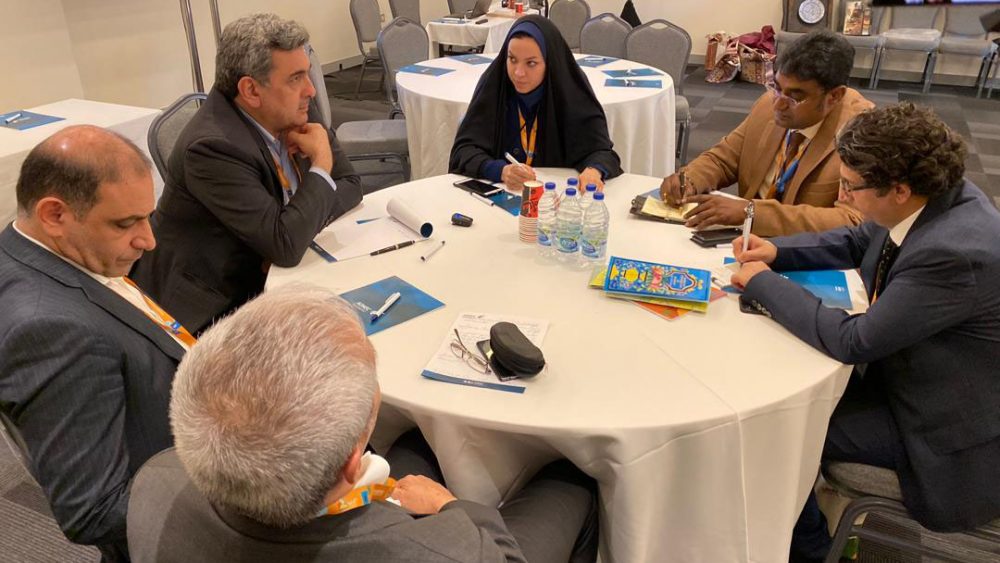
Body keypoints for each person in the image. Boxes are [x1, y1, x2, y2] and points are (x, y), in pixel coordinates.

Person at [127, 285, 599, 562]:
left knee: (415, 442)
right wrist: (452, 507)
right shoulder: (449, 552)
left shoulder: (154, 483)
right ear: (354, 462)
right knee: (575, 478)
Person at [730, 103, 1000, 561]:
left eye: (850, 186)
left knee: (777, 429)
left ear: (899, 189)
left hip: (941, 429)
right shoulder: (937, 195)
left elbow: (854, 340)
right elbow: (861, 240)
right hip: (913, 380)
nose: (843, 196)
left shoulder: (953, 254)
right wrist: (776, 252)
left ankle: (811, 549)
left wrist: (763, 283)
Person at [0, 126, 189, 561]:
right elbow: (94, 510)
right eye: (125, 223)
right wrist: (243, 477)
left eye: (147, 216)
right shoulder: (50, 331)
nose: (148, 240)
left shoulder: (32, 249)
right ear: (54, 215)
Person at [130, 13, 363, 334]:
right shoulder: (212, 147)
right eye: (296, 78)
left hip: (282, 270)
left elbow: (350, 184)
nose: (310, 90)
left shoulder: (292, 105)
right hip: (214, 306)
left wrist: (300, 225)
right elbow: (285, 245)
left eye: (307, 73)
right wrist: (321, 162)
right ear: (251, 90)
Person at [660, 30, 872, 236]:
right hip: (743, 239)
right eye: (776, 87)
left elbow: (853, 219)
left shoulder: (864, 135)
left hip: (804, 250)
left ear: (834, 96)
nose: (778, 104)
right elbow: (723, 159)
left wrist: (751, 214)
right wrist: (690, 180)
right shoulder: (767, 106)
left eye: (795, 97)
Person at [449, 15, 622, 192]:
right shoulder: (494, 86)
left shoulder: (570, 91)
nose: (518, 73)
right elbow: (462, 152)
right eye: (512, 59)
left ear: (550, 62)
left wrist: (594, 170)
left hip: (557, 197)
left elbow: (602, 153)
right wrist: (500, 171)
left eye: (531, 63)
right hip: (502, 195)